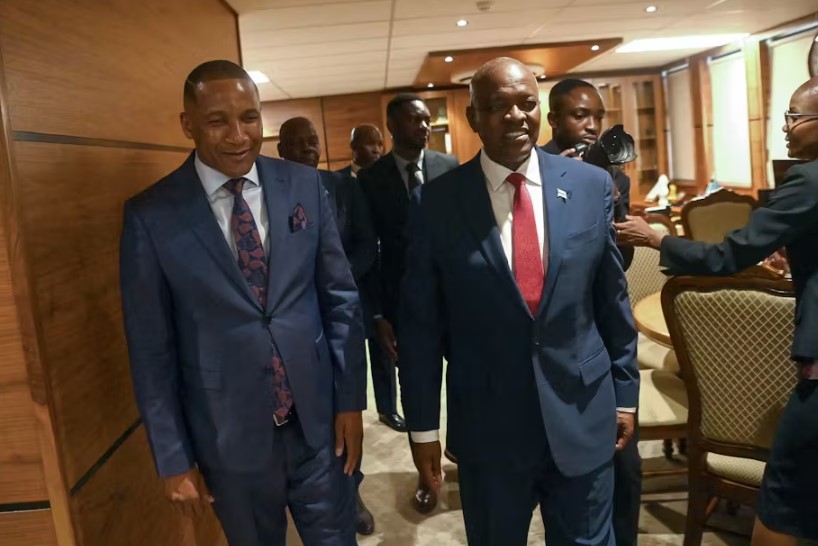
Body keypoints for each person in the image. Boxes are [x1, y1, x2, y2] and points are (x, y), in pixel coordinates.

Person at [120, 60, 365, 546]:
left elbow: (340, 298)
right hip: (226, 438)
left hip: (317, 421)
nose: (238, 135)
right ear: (187, 124)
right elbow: (151, 350)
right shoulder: (152, 216)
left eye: (250, 117)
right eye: (217, 121)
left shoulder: (302, 185)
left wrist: (352, 400)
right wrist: (173, 458)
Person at [399, 57, 639, 545]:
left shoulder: (593, 187)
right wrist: (422, 428)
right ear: (473, 118)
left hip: (583, 412)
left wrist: (626, 391)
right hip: (490, 429)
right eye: (497, 106)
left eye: (527, 104)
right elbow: (420, 328)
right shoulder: (437, 203)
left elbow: (611, 301)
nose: (515, 116)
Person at [615, 76, 818, 546]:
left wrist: (657, 238)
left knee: (781, 500)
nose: (785, 127)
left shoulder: (808, 177)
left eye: (794, 116)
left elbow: (728, 257)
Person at [543, 78, 641, 546]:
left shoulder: (611, 174)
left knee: (624, 466)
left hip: (599, 343)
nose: (591, 126)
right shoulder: (531, 169)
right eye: (580, 115)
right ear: (554, 120)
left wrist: (611, 199)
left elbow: (622, 266)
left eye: (598, 117)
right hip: (552, 342)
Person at [358, 93, 459, 513]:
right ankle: (425, 470)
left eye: (427, 120)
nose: (425, 126)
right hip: (402, 301)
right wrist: (377, 314)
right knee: (417, 385)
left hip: (455, 298)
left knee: (467, 384)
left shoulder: (450, 169)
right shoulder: (370, 179)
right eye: (415, 120)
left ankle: (463, 459)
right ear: (392, 126)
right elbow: (368, 253)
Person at [278, 116, 377, 536]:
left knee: (347, 404)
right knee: (312, 414)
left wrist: (335, 280)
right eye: (297, 144)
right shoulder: (273, 192)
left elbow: (366, 244)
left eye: (312, 141)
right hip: (297, 323)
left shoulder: (343, 186)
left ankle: (351, 489)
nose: (307, 149)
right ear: (281, 150)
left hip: (340, 310)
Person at [335, 124, 406, 434]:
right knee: (349, 352)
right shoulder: (337, 182)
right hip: (347, 277)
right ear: (353, 147)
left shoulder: (387, 180)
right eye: (369, 144)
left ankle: (388, 408)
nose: (377, 150)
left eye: (380, 143)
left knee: (383, 348)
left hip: (381, 277)